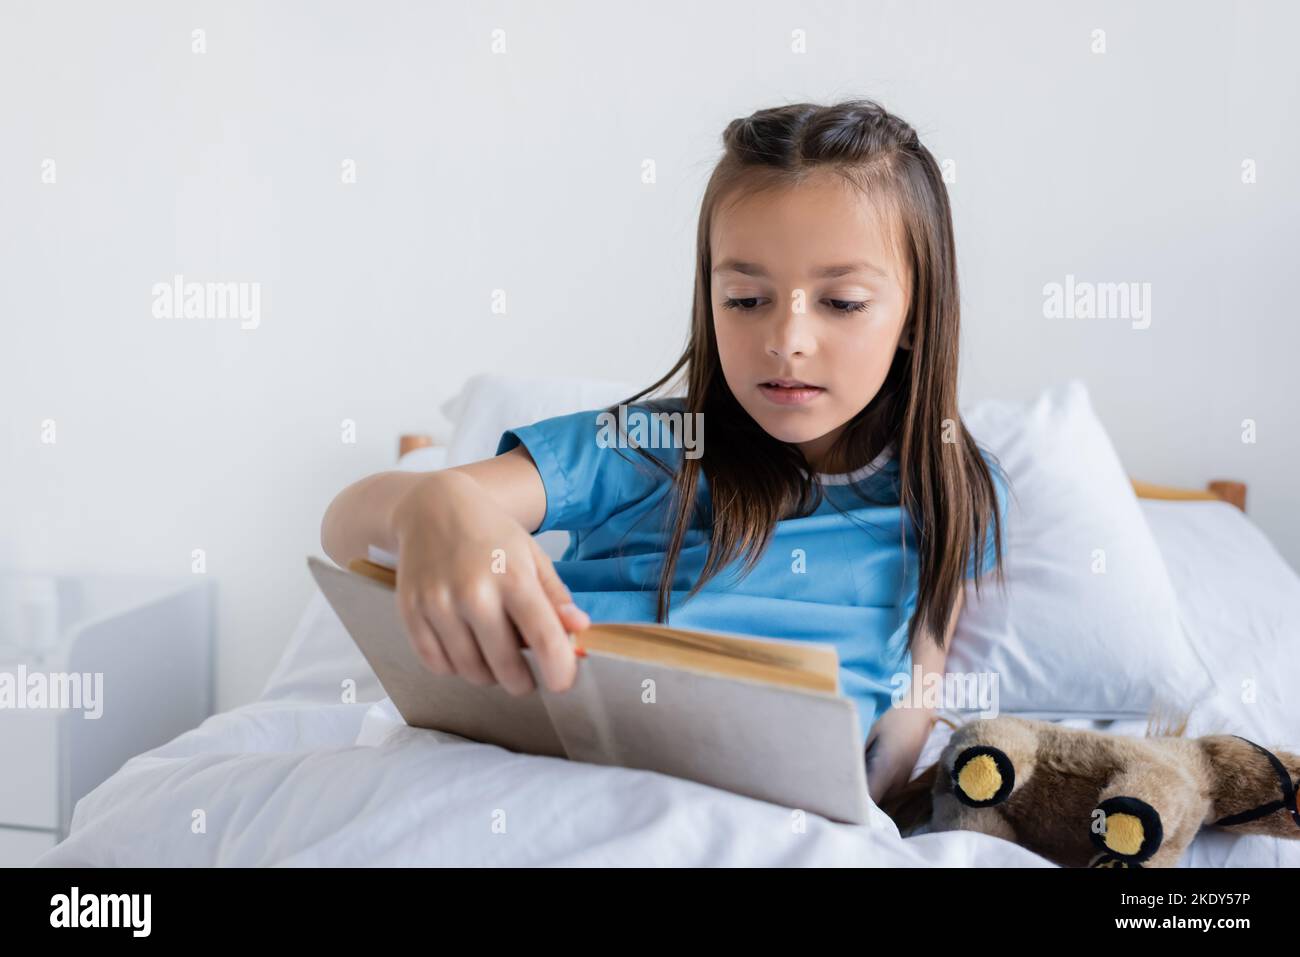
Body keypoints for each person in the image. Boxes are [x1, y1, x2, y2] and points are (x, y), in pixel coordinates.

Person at [321, 98, 1009, 806]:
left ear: (916, 315)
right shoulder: (653, 447)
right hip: (541, 781)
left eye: (841, 303)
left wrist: (884, 779)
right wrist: (434, 505)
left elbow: (921, 672)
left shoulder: (952, 489)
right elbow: (347, 525)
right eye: (745, 298)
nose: (787, 339)